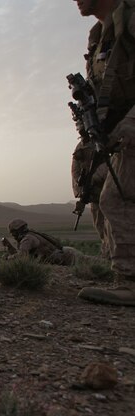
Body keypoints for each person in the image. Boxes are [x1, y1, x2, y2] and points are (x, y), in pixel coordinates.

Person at [72, 0, 135, 306]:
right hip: (114, 127)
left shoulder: (130, 19)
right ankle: (116, 264)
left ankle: (131, 281)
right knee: (92, 184)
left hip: (130, 125)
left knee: (118, 195)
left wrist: (130, 123)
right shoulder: (99, 35)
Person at [5, 219, 81, 266]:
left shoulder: (27, 239)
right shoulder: (31, 234)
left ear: (18, 231)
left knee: (89, 262)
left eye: (13, 233)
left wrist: (9, 258)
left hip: (66, 257)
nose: (13, 236)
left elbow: (22, 256)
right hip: (66, 252)